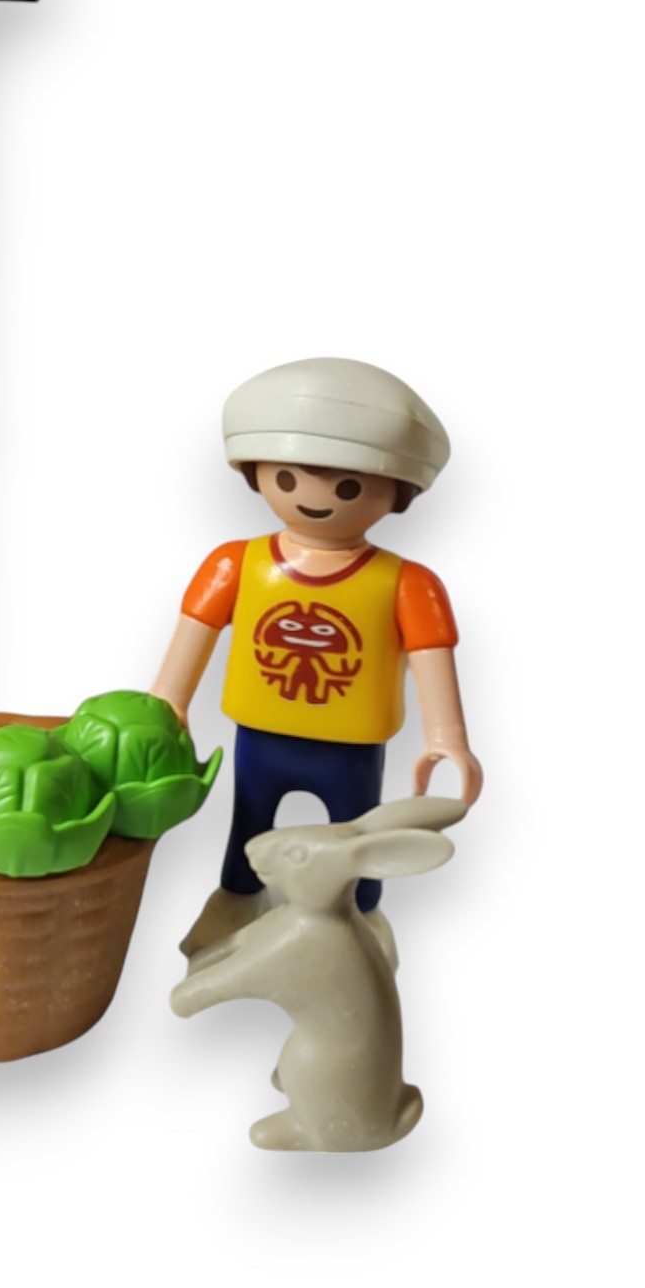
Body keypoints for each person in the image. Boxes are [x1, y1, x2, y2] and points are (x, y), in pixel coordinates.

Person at [151, 357, 481, 957]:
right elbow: (193, 634)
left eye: (347, 487)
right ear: (257, 473)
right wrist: (166, 703)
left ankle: (359, 918)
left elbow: (433, 655)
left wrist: (446, 738)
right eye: (288, 478)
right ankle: (236, 899)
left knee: (356, 838)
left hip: (351, 747)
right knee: (249, 824)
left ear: (397, 493)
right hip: (260, 735)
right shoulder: (236, 563)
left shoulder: (407, 583)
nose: (315, 498)